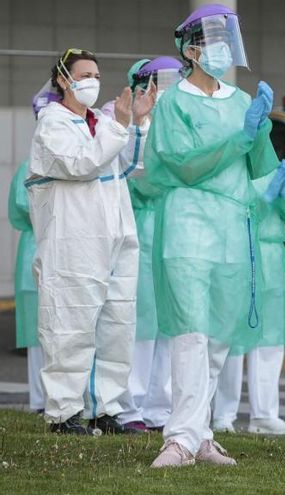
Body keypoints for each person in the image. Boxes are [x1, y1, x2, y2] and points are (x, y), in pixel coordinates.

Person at [145, 4, 278, 467]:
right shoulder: (174, 102)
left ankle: (200, 434)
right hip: (187, 225)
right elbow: (182, 163)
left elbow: (259, 165)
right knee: (191, 330)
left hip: (231, 227)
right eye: (214, 42)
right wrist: (239, 139)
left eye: (228, 40)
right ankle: (179, 437)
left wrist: (261, 129)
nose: (224, 51)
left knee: (220, 331)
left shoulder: (241, 103)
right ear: (192, 49)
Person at [27, 48, 156, 435]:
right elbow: (82, 163)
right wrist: (120, 123)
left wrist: (140, 122)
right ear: (63, 79)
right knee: (70, 324)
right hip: (73, 242)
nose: (93, 81)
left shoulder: (102, 120)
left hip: (116, 237)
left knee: (117, 324)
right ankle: (63, 413)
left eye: (97, 74)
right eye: (85, 74)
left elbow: (135, 166)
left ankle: (106, 408)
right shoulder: (52, 124)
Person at [211, 160, 285, 435]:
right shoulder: (230, 169)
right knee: (232, 338)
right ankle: (223, 413)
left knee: (270, 337)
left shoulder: (273, 172)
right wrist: (264, 198)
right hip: (242, 255)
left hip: (273, 258)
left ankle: (264, 415)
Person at [113, 56, 184, 433]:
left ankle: (160, 406)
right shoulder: (121, 117)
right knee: (138, 322)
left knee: (169, 323)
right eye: (160, 82)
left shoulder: (175, 122)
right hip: (140, 228)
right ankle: (130, 406)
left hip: (174, 228)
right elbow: (135, 173)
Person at [7, 89, 60, 415]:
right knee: (38, 334)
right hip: (35, 253)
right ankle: (41, 401)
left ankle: (55, 400)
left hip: (49, 251)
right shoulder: (31, 164)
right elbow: (21, 208)